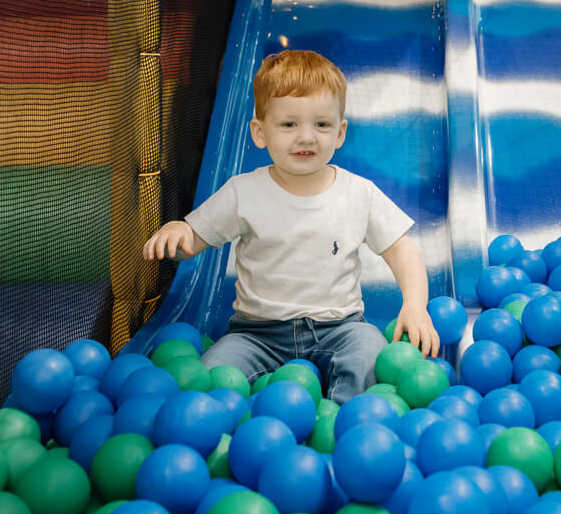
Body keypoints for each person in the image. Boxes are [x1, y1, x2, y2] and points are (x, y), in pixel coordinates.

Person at [142, 49, 439, 402]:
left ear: (340, 132)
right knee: (211, 380)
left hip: (340, 328)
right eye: (289, 124)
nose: (307, 137)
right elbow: (195, 238)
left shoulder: (359, 193)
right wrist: (180, 230)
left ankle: (344, 423)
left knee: (369, 353)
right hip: (256, 334)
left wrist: (415, 304)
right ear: (259, 132)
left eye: (322, 124)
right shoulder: (243, 192)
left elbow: (401, 248)